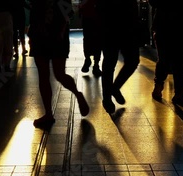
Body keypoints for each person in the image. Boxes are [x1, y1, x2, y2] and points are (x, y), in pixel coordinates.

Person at [28, 0, 90, 128]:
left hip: (40, 35)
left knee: (44, 76)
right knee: (59, 74)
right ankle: (77, 94)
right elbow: (67, 13)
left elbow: (34, 10)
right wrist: (61, 31)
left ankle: (49, 114)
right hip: (57, 36)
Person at [97, 0, 141, 114]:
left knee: (109, 63)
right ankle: (113, 89)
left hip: (109, 23)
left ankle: (108, 96)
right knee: (132, 61)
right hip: (126, 24)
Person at [79, 0, 102, 77]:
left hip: (87, 17)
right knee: (97, 41)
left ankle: (88, 59)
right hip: (97, 17)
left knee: (87, 40)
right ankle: (96, 64)